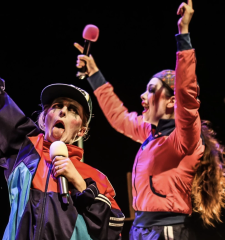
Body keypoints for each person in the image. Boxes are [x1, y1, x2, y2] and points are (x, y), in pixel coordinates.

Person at [0, 15, 125, 240]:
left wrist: (80, 184)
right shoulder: (25, 148)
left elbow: (113, 228)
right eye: (57, 106)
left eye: (73, 111)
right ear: (44, 118)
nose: (62, 112)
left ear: (81, 130)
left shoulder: (96, 179)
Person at [75, 1, 225, 239]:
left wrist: (183, 35)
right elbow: (119, 117)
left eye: (152, 90)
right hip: (141, 228)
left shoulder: (184, 139)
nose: (143, 96)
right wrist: (94, 75)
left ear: (171, 101)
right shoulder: (149, 133)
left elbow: (187, 95)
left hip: (166, 231)